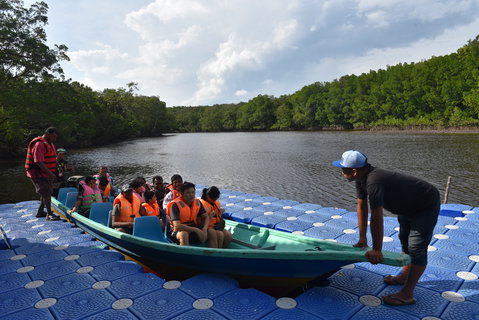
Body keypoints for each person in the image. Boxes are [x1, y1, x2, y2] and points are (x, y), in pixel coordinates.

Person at [332, 150, 440, 306]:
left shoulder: (374, 181)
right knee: (404, 239)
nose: (341, 172)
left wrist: (377, 249)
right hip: (407, 206)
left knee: (416, 248)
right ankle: (404, 275)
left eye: (343, 169)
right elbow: (362, 206)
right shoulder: (361, 179)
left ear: (354, 171)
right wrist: (362, 238)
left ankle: (407, 293)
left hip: (425, 204)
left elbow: (377, 217)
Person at [25, 127, 61, 221]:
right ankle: (49, 214)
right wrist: (50, 173)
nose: (55, 138)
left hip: (45, 173)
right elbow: (39, 162)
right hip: (37, 173)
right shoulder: (39, 144)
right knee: (47, 192)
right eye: (54, 136)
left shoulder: (50, 144)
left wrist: (58, 166)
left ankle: (40, 212)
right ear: (48, 134)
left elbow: (52, 158)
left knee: (45, 193)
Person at [166, 182, 209, 246]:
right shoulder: (175, 205)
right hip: (177, 231)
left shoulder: (197, 202)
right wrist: (196, 230)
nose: (191, 195)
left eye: (193, 192)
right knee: (184, 235)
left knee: (213, 232)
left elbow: (206, 217)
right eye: (188, 193)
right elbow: (177, 226)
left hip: (193, 228)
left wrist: (204, 228)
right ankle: (185, 254)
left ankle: (213, 254)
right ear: (182, 194)